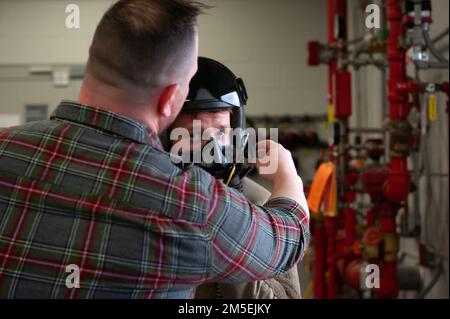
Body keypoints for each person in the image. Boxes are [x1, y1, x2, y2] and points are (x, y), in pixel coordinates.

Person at [0, 0, 309, 298]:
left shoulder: (5, 145)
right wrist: (288, 176)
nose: (208, 145)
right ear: (168, 101)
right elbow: (290, 237)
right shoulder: (193, 203)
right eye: (192, 133)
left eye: (219, 131)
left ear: (92, 56)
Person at [168, 56, 303, 299]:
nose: (212, 148)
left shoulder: (261, 204)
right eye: (193, 134)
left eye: (221, 131)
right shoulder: (146, 201)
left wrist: (232, 219)